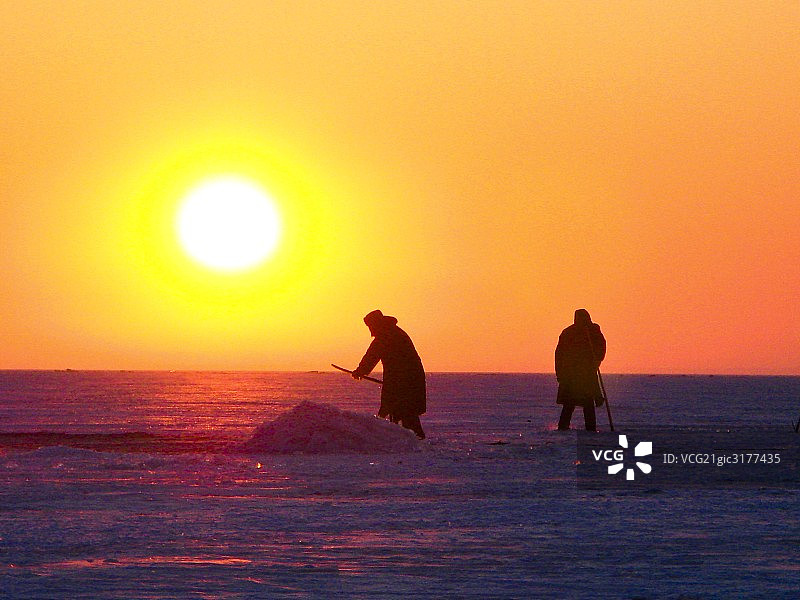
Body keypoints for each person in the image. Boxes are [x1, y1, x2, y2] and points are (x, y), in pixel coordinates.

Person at [352, 310, 426, 439]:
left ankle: (412, 441)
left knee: (404, 412)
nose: (370, 329)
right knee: (400, 411)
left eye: (370, 326)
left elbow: (372, 355)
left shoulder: (386, 335)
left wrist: (360, 371)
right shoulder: (391, 331)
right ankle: (406, 440)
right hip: (403, 379)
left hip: (404, 380)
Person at [555, 308, 606, 431]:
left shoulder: (592, 331)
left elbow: (601, 347)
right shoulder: (568, 333)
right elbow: (559, 354)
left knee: (586, 402)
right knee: (570, 403)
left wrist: (596, 360)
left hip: (585, 372)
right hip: (572, 374)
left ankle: (589, 428)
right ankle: (564, 427)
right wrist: (560, 372)